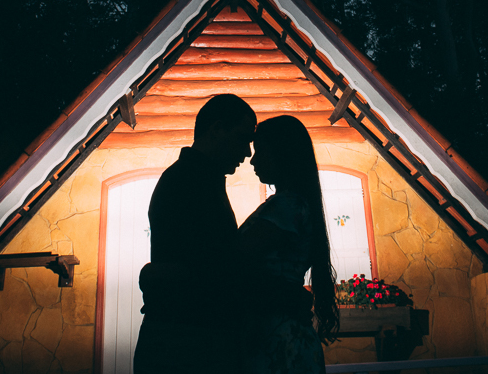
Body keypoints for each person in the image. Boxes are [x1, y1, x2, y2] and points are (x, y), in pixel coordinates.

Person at [133, 93, 257, 374]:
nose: (248, 153)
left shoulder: (198, 178)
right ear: (216, 129)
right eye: (243, 139)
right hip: (186, 345)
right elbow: (210, 267)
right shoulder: (189, 182)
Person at [238, 115, 339, 374]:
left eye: (261, 151)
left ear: (281, 154)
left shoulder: (286, 206)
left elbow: (234, 256)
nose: (253, 160)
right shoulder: (294, 205)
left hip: (279, 341)